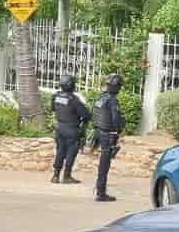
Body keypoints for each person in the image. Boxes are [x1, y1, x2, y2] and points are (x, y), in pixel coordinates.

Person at [92, 72, 125, 203]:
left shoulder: (101, 97)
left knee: (103, 163)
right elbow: (115, 118)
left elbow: (94, 113)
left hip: (99, 131)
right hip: (108, 134)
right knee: (104, 165)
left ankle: (100, 190)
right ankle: (101, 192)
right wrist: (118, 130)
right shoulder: (112, 100)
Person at [51, 74, 90, 184]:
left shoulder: (56, 96)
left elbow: (53, 109)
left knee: (60, 151)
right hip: (71, 129)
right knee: (71, 153)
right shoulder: (73, 100)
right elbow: (86, 115)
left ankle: (55, 175)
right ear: (71, 85)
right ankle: (67, 176)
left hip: (59, 127)